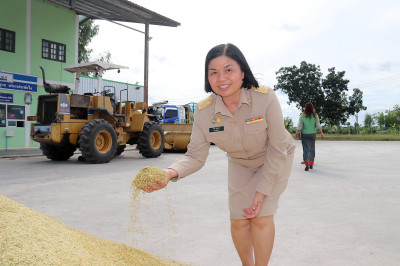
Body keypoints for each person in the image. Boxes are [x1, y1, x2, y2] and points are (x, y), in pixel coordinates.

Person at [138, 43, 295, 265]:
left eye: (228, 70)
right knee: (239, 220)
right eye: (213, 72)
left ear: (242, 72)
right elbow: (195, 156)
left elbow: (278, 147)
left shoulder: (265, 97)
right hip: (240, 163)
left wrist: (261, 193)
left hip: (275, 157)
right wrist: (169, 173)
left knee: (260, 217)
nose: (221, 78)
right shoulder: (204, 111)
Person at [295, 102, 325, 171]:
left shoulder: (302, 115)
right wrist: (322, 133)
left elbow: (300, 126)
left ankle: (307, 164)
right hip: (312, 134)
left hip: (305, 134)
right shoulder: (315, 116)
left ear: (305, 108)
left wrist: (297, 133)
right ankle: (311, 164)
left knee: (306, 149)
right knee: (312, 149)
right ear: (312, 108)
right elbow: (318, 126)